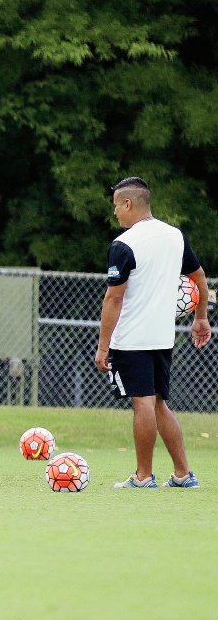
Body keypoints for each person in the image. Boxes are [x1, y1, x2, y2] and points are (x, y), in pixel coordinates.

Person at [95, 177, 210, 488]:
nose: (116, 212)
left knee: (143, 403)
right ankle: (183, 474)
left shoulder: (124, 245)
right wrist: (201, 317)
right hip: (162, 337)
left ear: (129, 204)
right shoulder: (174, 236)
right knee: (158, 403)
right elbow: (198, 277)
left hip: (132, 338)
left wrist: (103, 346)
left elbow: (114, 297)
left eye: (117, 206)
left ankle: (144, 476)